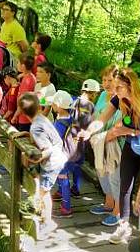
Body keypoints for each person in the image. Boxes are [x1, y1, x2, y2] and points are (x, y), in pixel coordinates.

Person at [89, 68, 140, 244]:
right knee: (125, 185)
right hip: (132, 146)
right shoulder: (119, 99)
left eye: (119, 87)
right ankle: (123, 224)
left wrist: (128, 131)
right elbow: (102, 119)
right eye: (114, 87)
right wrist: (88, 131)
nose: (115, 92)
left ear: (131, 86)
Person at [17, 92, 68, 240]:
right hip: (57, 157)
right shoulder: (41, 119)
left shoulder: (36, 127)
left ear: (22, 111)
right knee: (42, 191)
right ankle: (43, 216)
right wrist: (27, 134)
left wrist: (34, 160)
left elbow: (47, 149)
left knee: (43, 193)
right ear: (39, 107)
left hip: (52, 163)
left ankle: (48, 222)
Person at [88, 65, 124, 227]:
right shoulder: (102, 95)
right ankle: (108, 204)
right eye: (104, 80)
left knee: (115, 177)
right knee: (102, 174)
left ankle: (118, 211)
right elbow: (97, 116)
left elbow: (120, 124)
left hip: (116, 145)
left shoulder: (123, 99)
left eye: (110, 80)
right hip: (100, 142)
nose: (107, 84)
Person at [48, 90, 77, 218]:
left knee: (63, 178)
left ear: (59, 106)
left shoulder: (60, 124)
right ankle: (61, 193)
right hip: (69, 153)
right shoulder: (70, 118)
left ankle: (66, 208)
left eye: (53, 104)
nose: (52, 106)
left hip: (61, 156)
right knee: (62, 177)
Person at [11, 53, 37, 132]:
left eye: (18, 62)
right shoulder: (29, 76)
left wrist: (15, 116)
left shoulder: (27, 81)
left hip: (24, 118)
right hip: (25, 116)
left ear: (23, 66)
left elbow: (23, 103)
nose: (17, 64)